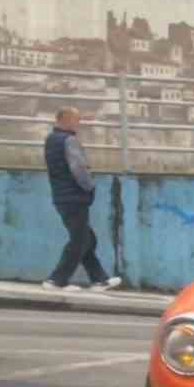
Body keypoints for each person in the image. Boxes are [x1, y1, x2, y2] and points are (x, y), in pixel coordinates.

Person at [43, 107, 122, 292]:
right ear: (66, 119)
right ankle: (56, 280)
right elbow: (78, 168)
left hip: (61, 196)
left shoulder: (51, 140)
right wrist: (89, 186)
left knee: (87, 239)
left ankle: (99, 279)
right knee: (80, 240)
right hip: (74, 196)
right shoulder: (69, 141)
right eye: (76, 119)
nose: (79, 123)